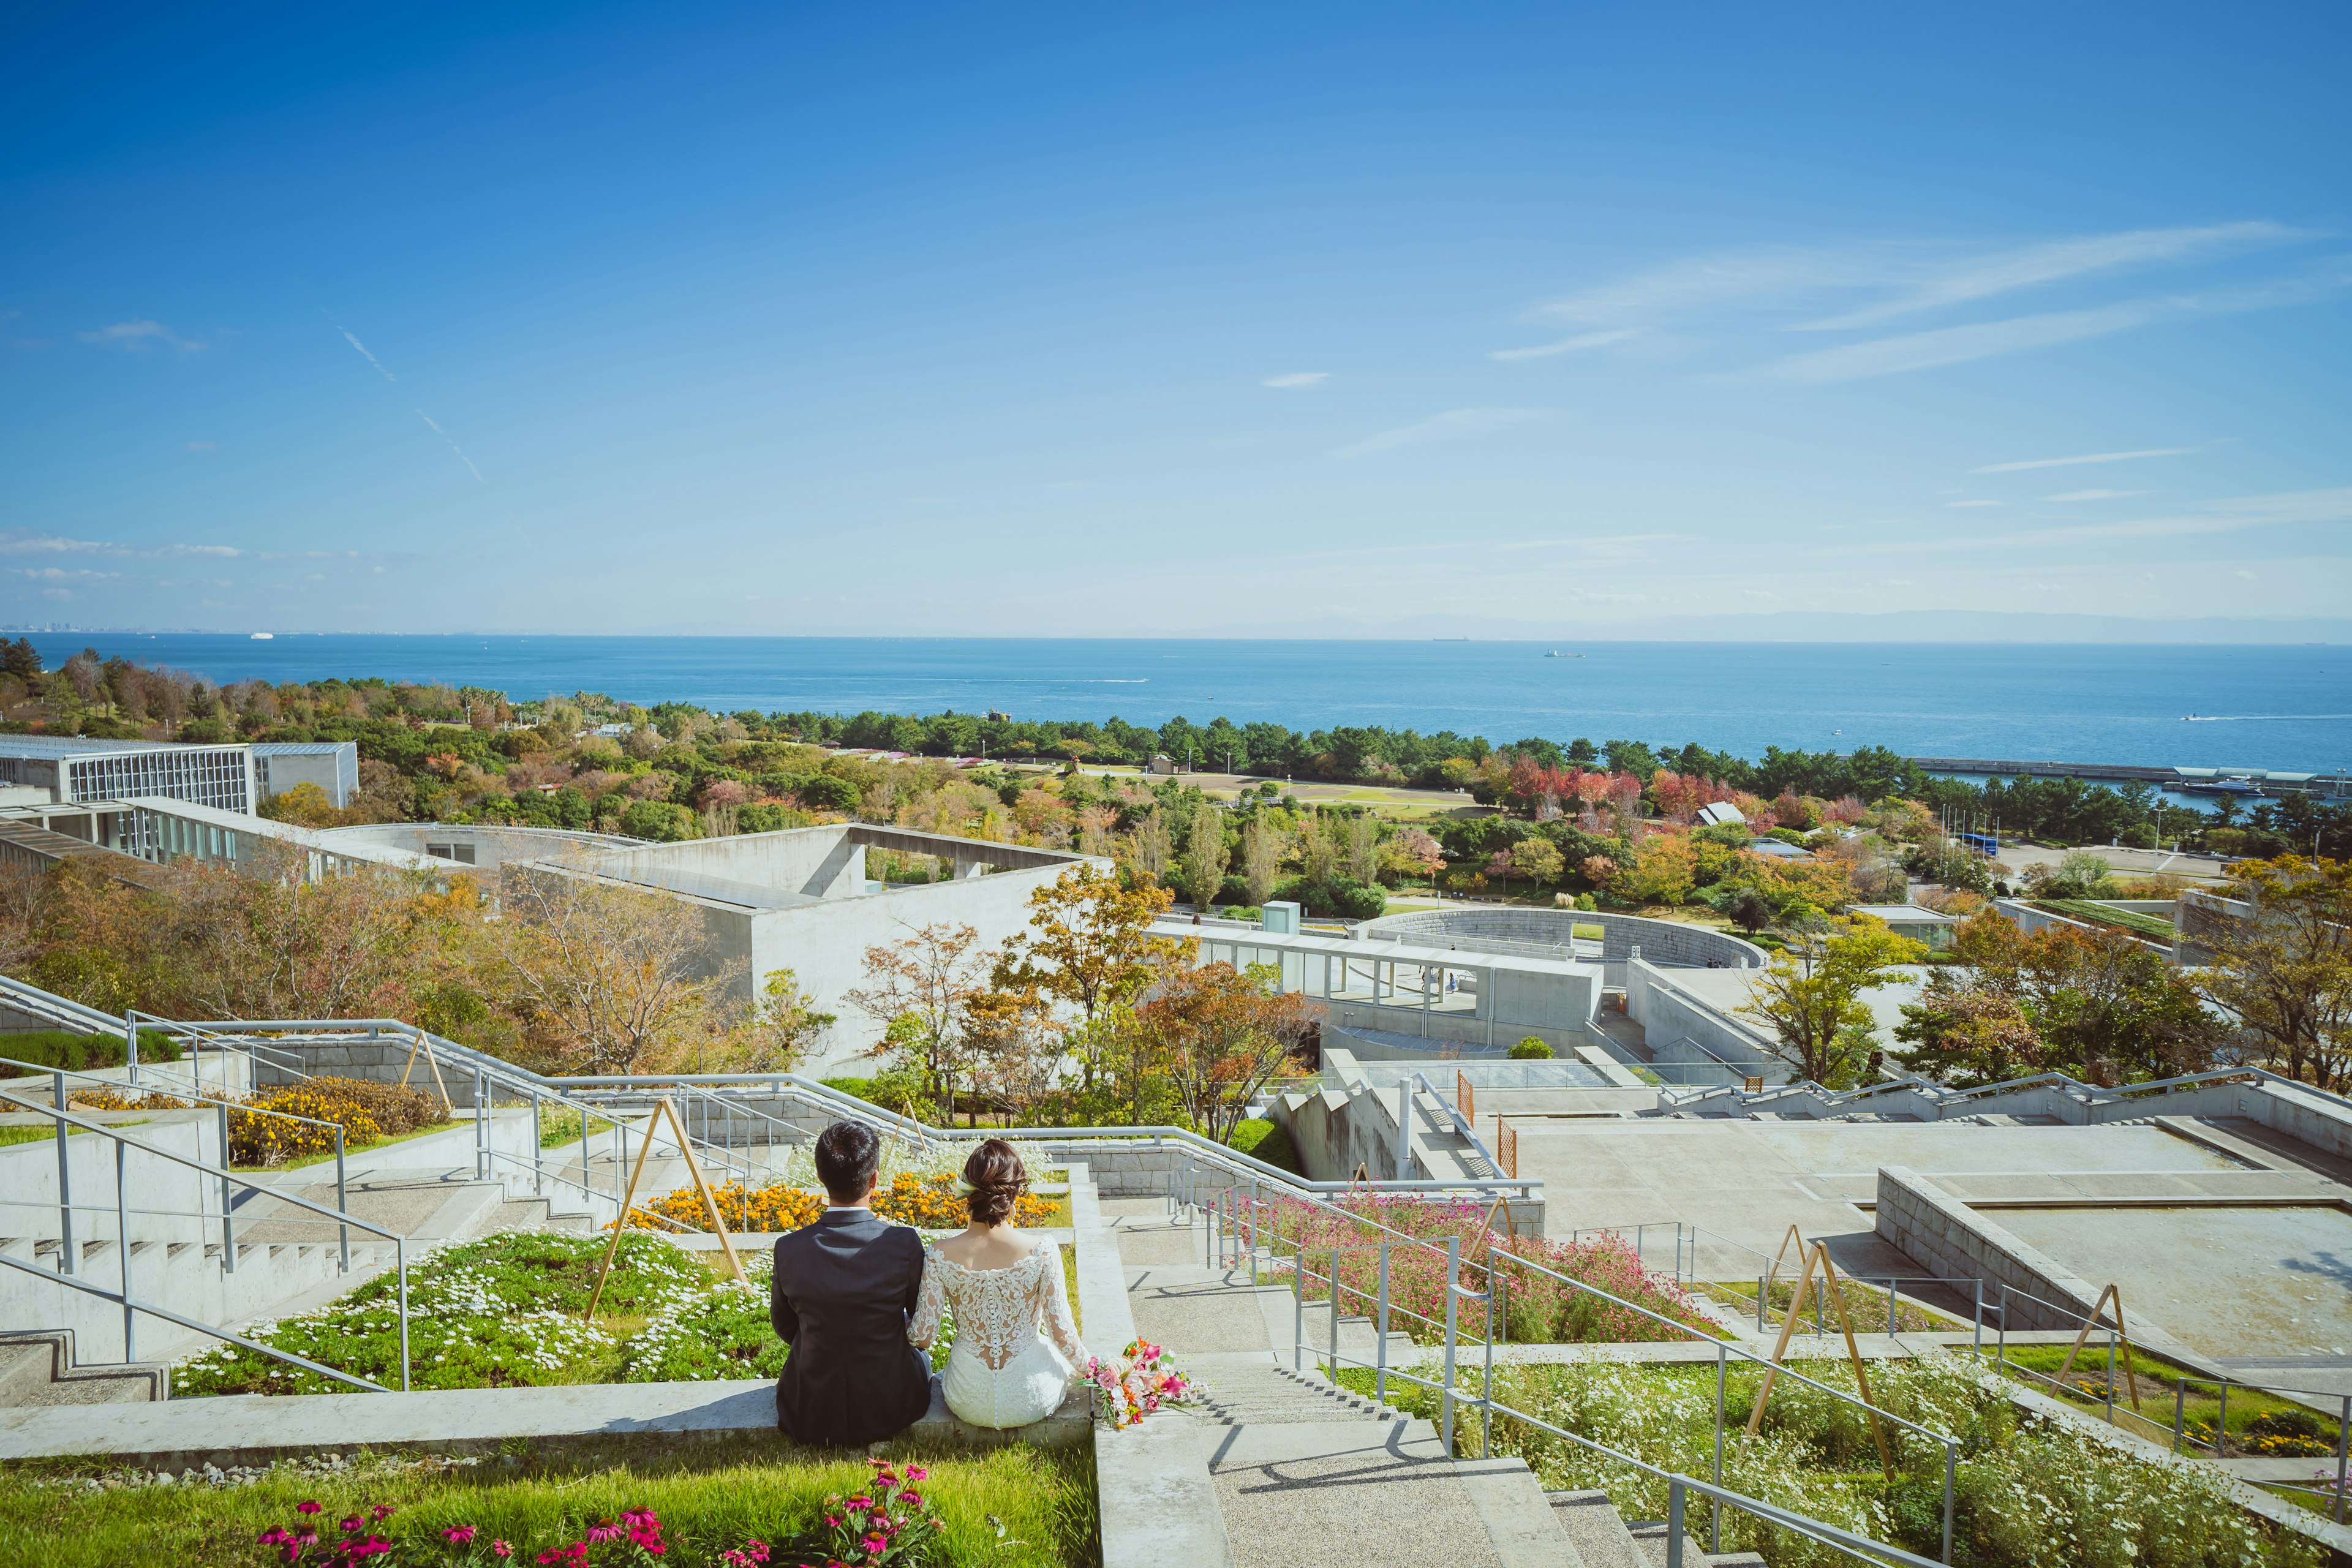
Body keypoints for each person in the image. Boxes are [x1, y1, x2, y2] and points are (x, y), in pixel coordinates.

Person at [769, 1120, 932, 1446]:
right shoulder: (903, 1243)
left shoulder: (789, 1248)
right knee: (922, 1358)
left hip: (809, 1405)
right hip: (891, 1402)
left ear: (820, 1177)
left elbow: (785, 1325)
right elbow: (918, 1323)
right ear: (875, 1179)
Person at [908, 1138, 1087, 1429]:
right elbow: (1063, 1336)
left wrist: (895, 1323)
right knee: (1048, 1349)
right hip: (1032, 1396)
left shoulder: (939, 1254)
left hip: (967, 1398)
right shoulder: (1043, 1249)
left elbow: (923, 1337)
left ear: (969, 1192)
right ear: (1014, 1194)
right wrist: (1099, 1370)